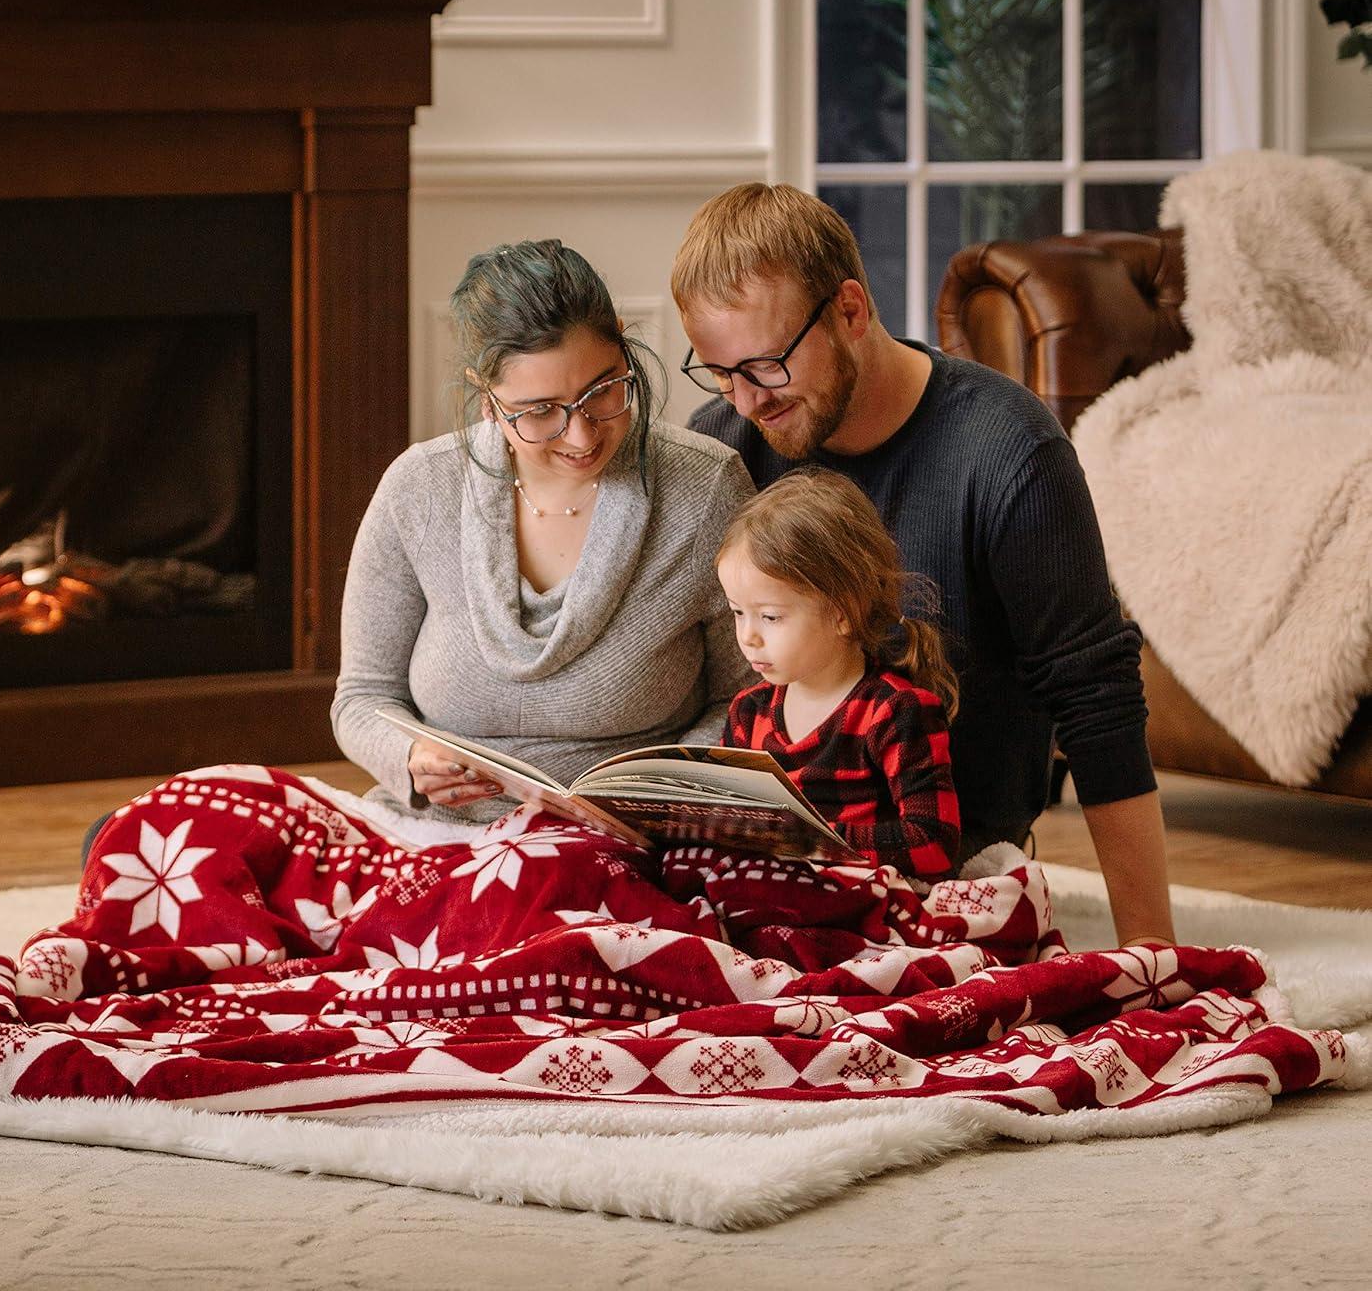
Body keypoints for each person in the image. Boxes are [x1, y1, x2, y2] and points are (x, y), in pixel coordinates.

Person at [672, 183, 1174, 947]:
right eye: (718, 373)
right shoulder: (722, 451)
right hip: (764, 874)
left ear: (849, 309)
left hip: (946, 877)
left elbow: (1097, 697)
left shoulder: (1007, 450)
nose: (745, 403)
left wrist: (1152, 950)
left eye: (767, 365)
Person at [331, 238, 756, 822]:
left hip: (628, 841)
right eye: (539, 411)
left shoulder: (706, 490)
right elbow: (362, 697)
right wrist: (409, 756)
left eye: (603, 390)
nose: (581, 437)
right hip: (434, 837)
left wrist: (663, 789)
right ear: (486, 401)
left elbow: (749, 699)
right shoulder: (419, 488)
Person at [717, 468, 962, 881]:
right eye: (738, 612)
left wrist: (809, 842)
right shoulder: (748, 713)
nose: (748, 636)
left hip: (863, 899)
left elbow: (935, 844)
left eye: (771, 616)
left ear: (842, 613)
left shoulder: (896, 711)